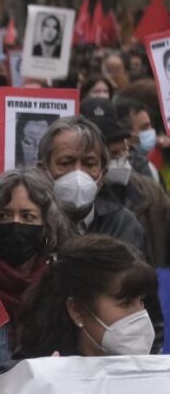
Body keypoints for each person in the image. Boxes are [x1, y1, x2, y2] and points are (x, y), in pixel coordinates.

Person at [0, 168, 74, 374]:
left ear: (46, 225)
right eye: (4, 215)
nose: (16, 223)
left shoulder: (61, 288)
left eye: (28, 216)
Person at [15, 234, 156, 359]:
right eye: (125, 303)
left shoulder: (152, 376)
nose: (141, 314)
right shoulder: (29, 379)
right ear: (77, 310)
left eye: (142, 301)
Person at [36, 115, 150, 261]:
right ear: (43, 170)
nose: (78, 172)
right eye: (65, 163)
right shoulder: (28, 223)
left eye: (89, 164)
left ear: (103, 174)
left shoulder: (124, 225)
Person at [80, 98, 170, 267]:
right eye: (113, 154)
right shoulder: (73, 200)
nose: (120, 160)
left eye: (123, 151)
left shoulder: (150, 192)